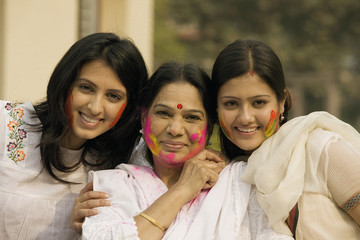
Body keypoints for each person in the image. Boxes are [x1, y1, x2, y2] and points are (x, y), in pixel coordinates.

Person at [80, 61, 293, 239]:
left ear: (209, 128)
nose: (175, 129)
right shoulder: (110, 186)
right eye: (163, 113)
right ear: (143, 117)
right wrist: (182, 190)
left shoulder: (239, 184)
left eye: (192, 117)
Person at [0, 32, 148, 239]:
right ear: (65, 83)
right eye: (86, 88)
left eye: (113, 96)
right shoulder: (7, 124)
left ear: (130, 106)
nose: (95, 108)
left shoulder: (124, 163)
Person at [211, 39, 360, 239]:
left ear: (282, 101)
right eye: (231, 104)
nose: (245, 117)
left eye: (259, 102)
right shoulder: (225, 178)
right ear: (216, 108)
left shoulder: (321, 151)